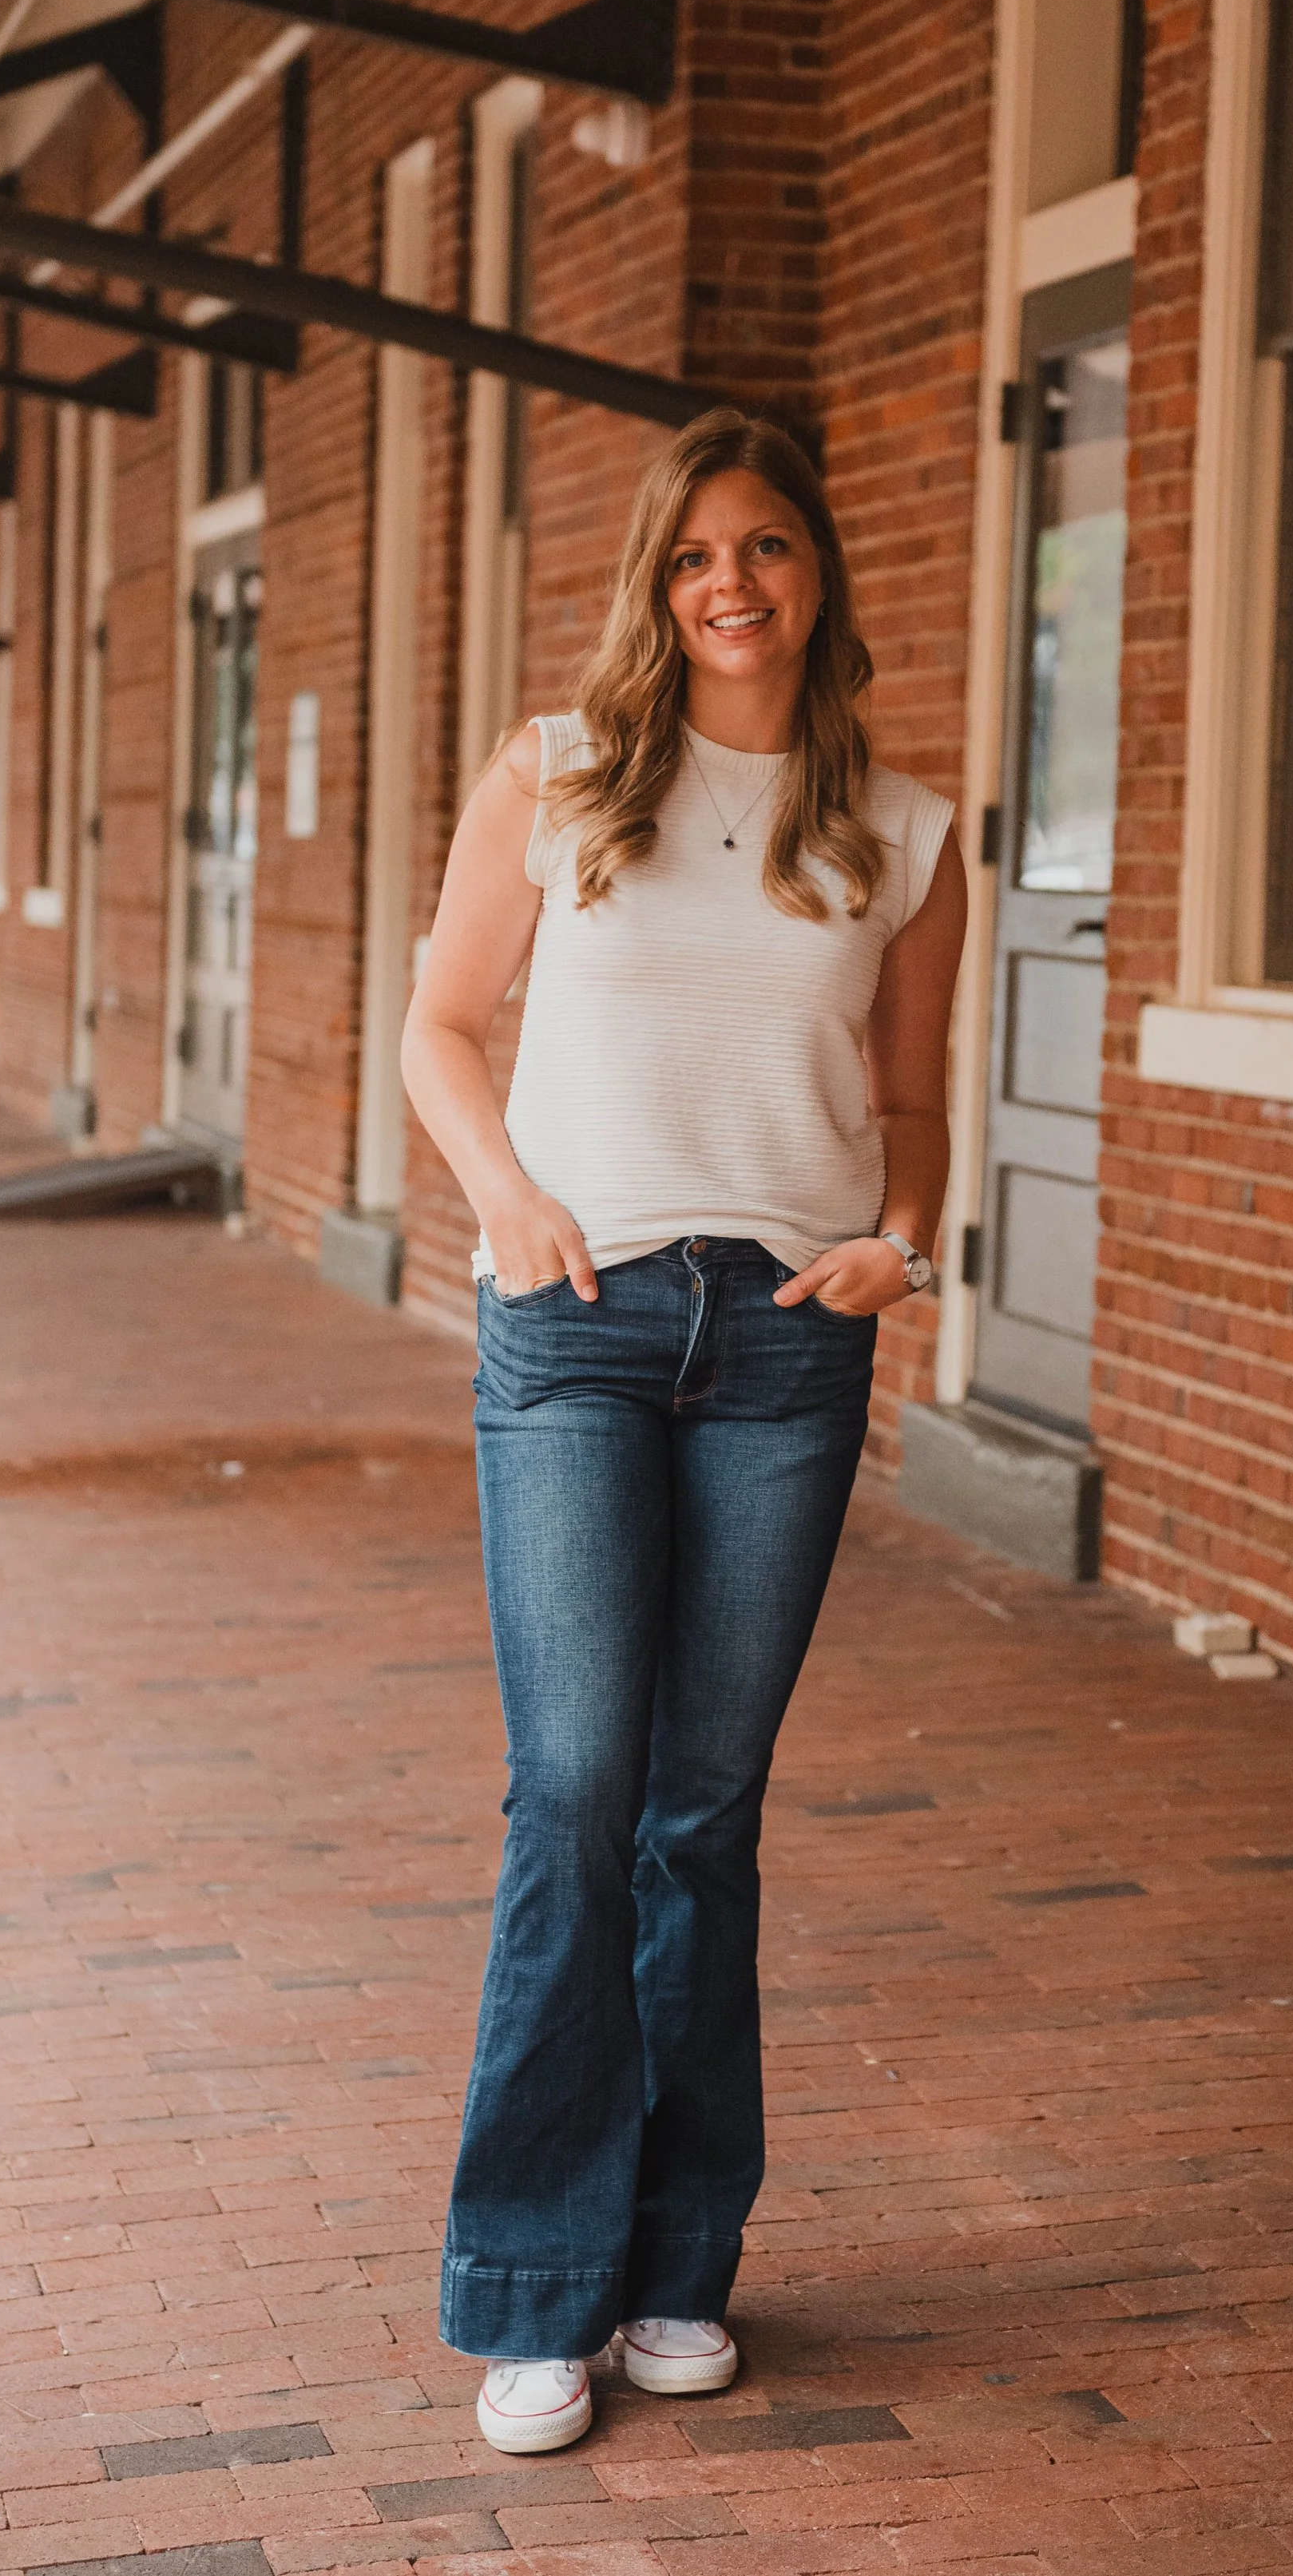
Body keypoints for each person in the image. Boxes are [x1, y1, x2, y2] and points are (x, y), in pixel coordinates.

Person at [400, 407, 966, 2455]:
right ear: (658, 584)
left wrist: (902, 1243)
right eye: (694, 555)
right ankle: (533, 2289)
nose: (732, 583)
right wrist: (507, 1200)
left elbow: (910, 1104)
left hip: (786, 1349)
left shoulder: (903, 831)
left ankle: (671, 2272)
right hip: (574, 1322)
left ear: (819, 577)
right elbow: (437, 1023)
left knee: (697, 1818)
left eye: (769, 549)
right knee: (571, 1792)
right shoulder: (556, 779)